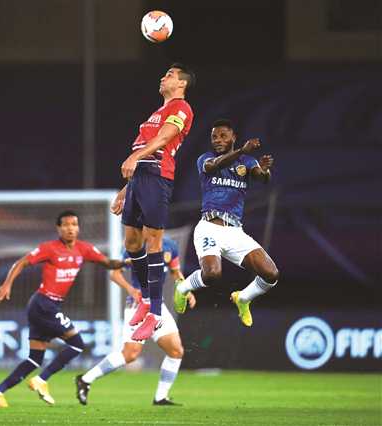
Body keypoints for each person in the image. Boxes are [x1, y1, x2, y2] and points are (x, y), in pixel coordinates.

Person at [0, 211, 127, 408]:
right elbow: (22, 262)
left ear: (78, 227)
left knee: (35, 359)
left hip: (45, 306)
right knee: (77, 344)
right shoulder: (49, 248)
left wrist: (128, 261)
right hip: (44, 303)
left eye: (74, 224)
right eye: (66, 225)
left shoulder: (83, 249)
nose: (70, 228)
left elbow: (108, 263)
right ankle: (41, 380)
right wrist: (7, 284)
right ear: (58, 229)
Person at [112, 63, 196, 341]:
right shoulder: (157, 112)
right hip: (139, 178)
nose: (163, 77)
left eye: (170, 75)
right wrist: (126, 190)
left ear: (182, 83)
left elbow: (165, 138)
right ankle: (146, 299)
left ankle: (156, 315)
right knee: (131, 242)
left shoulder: (181, 108)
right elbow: (148, 142)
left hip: (158, 175)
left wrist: (134, 157)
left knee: (153, 242)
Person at [174, 119, 279, 327]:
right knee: (212, 274)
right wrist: (242, 150)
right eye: (214, 137)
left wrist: (265, 170)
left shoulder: (247, 161)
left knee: (271, 274)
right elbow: (215, 166)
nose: (218, 140)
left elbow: (261, 178)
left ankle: (243, 298)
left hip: (235, 232)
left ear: (233, 137)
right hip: (209, 228)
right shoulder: (205, 159)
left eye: (223, 136)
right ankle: (183, 288)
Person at [76, 235, 195, 406]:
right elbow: (114, 274)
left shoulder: (170, 245)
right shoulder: (134, 246)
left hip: (157, 305)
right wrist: (131, 290)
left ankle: (160, 397)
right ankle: (85, 379)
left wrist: (186, 290)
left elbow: (175, 272)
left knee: (176, 351)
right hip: (137, 305)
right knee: (130, 354)